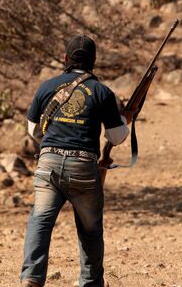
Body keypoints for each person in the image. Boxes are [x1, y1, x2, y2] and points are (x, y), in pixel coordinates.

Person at [21, 35, 132, 287]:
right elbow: (116, 136)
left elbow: (33, 129)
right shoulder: (102, 92)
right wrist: (126, 119)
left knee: (40, 220)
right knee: (90, 230)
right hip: (83, 166)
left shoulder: (47, 86)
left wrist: (52, 145)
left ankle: (31, 278)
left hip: (47, 164)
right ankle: (90, 283)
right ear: (94, 61)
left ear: (65, 59)